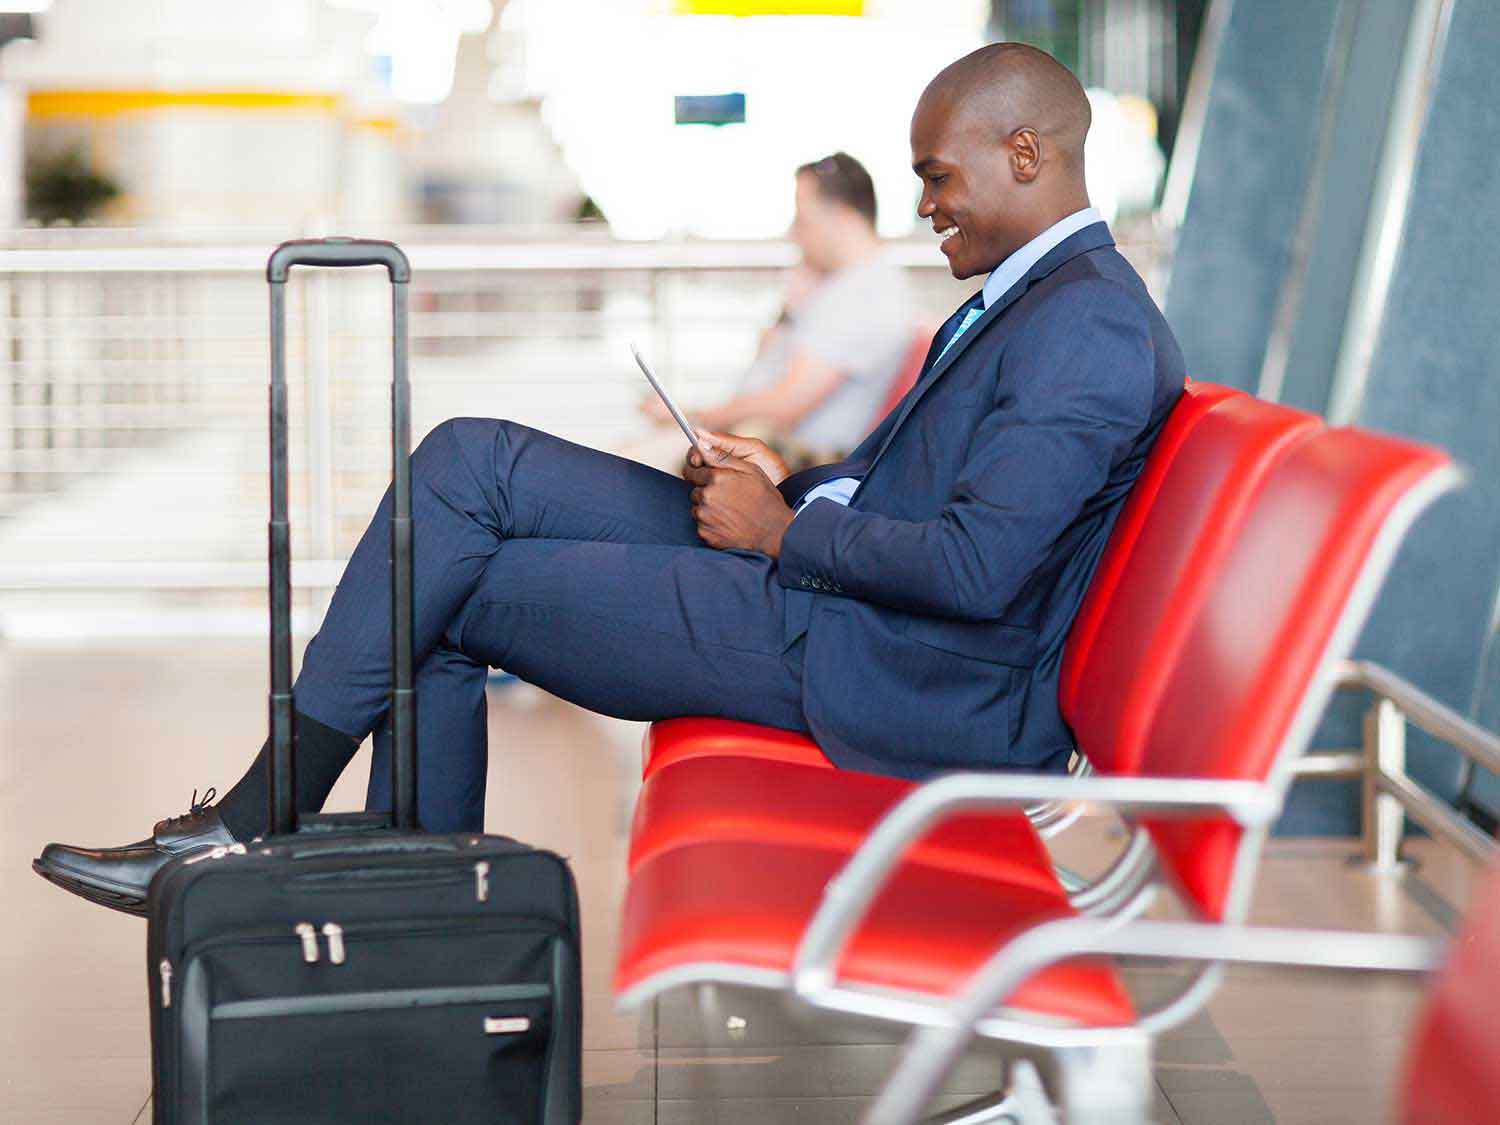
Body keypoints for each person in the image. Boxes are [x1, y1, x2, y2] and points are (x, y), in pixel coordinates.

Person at [34, 42, 1185, 916]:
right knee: (467, 462)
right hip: (838, 591)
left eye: (939, 178)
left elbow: (981, 569)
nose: (925, 205)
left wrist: (783, 534)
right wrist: (791, 479)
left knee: (439, 592)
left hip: (886, 663)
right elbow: (939, 493)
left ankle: (307, 863)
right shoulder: (1046, 300)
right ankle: (311, 857)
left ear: (1024, 153)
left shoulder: (1084, 329)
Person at [635, 152, 916, 468]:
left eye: (803, 220)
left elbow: (785, 405)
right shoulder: (843, 287)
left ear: (842, 218)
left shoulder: (864, 296)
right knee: (628, 461)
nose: (794, 234)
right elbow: (769, 368)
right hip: (768, 442)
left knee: (631, 466)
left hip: (794, 456)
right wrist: (790, 310)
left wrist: (694, 418)